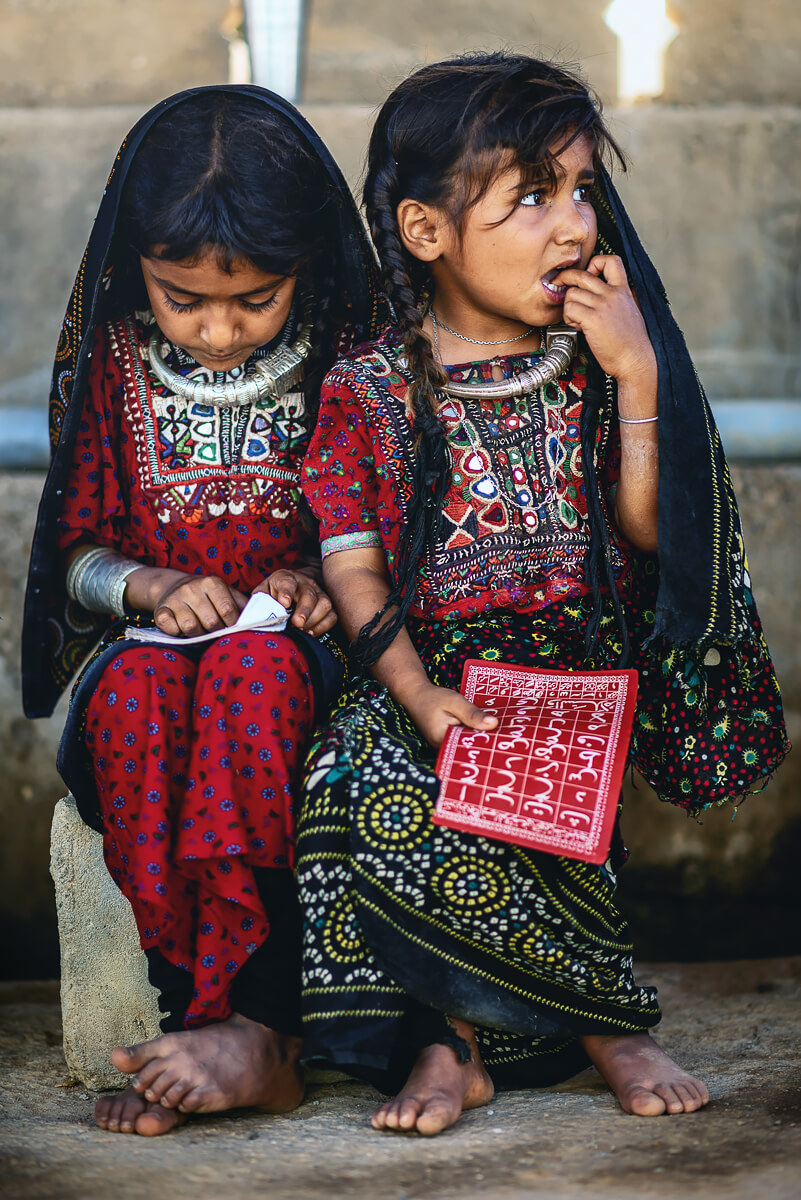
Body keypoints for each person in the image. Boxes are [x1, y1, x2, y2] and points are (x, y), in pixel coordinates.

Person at [297, 53, 790, 1136]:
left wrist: (641, 377)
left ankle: (608, 1022)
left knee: (533, 744)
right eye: (532, 197)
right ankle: (452, 1045)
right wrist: (419, 693)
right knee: (357, 770)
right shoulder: (370, 387)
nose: (574, 224)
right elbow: (353, 564)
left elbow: (653, 536)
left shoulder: (594, 362)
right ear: (427, 233)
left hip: (576, 678)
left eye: (579, 190)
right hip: (428, 681)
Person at [22, 85, 384, 1136]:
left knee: (250, 682)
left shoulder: (339, 365)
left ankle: (254, 1024)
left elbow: (378, 520)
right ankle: (192, 1008)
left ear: (305, 272)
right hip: (146, 650)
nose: (220, 328)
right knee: (135, 704)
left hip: (294, 654)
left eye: (255, 299)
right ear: (134, 270)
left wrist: (324, 578)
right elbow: (75, 549)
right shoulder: (113, 372)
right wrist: (146, 587)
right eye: (184, 299)